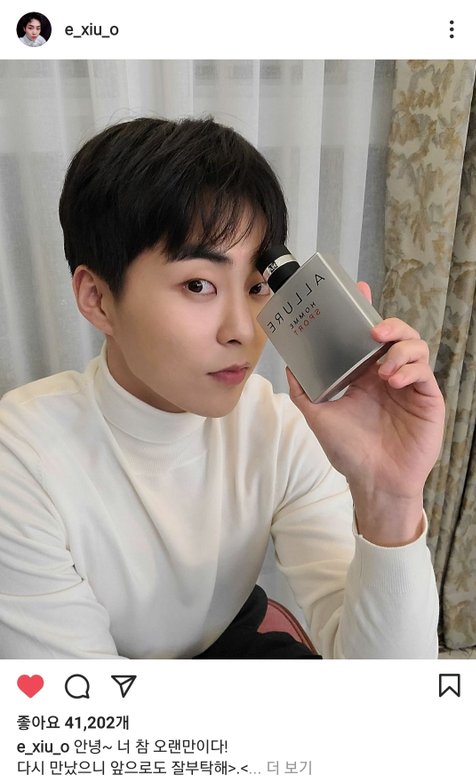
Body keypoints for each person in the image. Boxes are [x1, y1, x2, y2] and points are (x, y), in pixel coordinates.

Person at [0, 117, 445, 659]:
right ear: (97, 298)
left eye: (256, 287)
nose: (243, 330)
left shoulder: (279, 430)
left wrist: (389, 498)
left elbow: (385, 688)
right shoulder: (21, 456)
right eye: (198, 284)